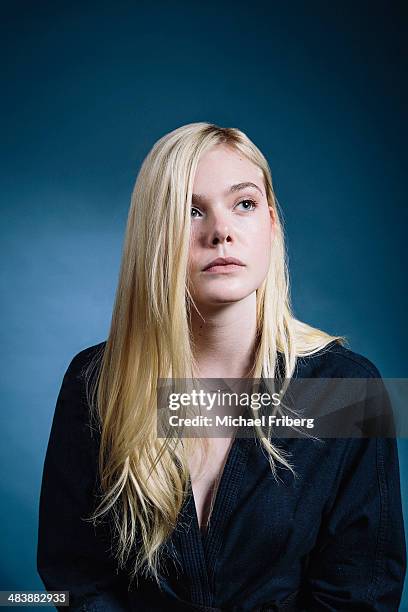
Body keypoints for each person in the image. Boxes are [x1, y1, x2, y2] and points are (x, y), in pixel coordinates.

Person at [37, 122, 406, 611]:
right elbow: (73, 580)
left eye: (245, 204)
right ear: (155, 236)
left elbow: (361, 592)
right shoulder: (95, 383)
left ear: (272, 225)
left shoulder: (347, 391)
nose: (221, 232)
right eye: (191, 211)